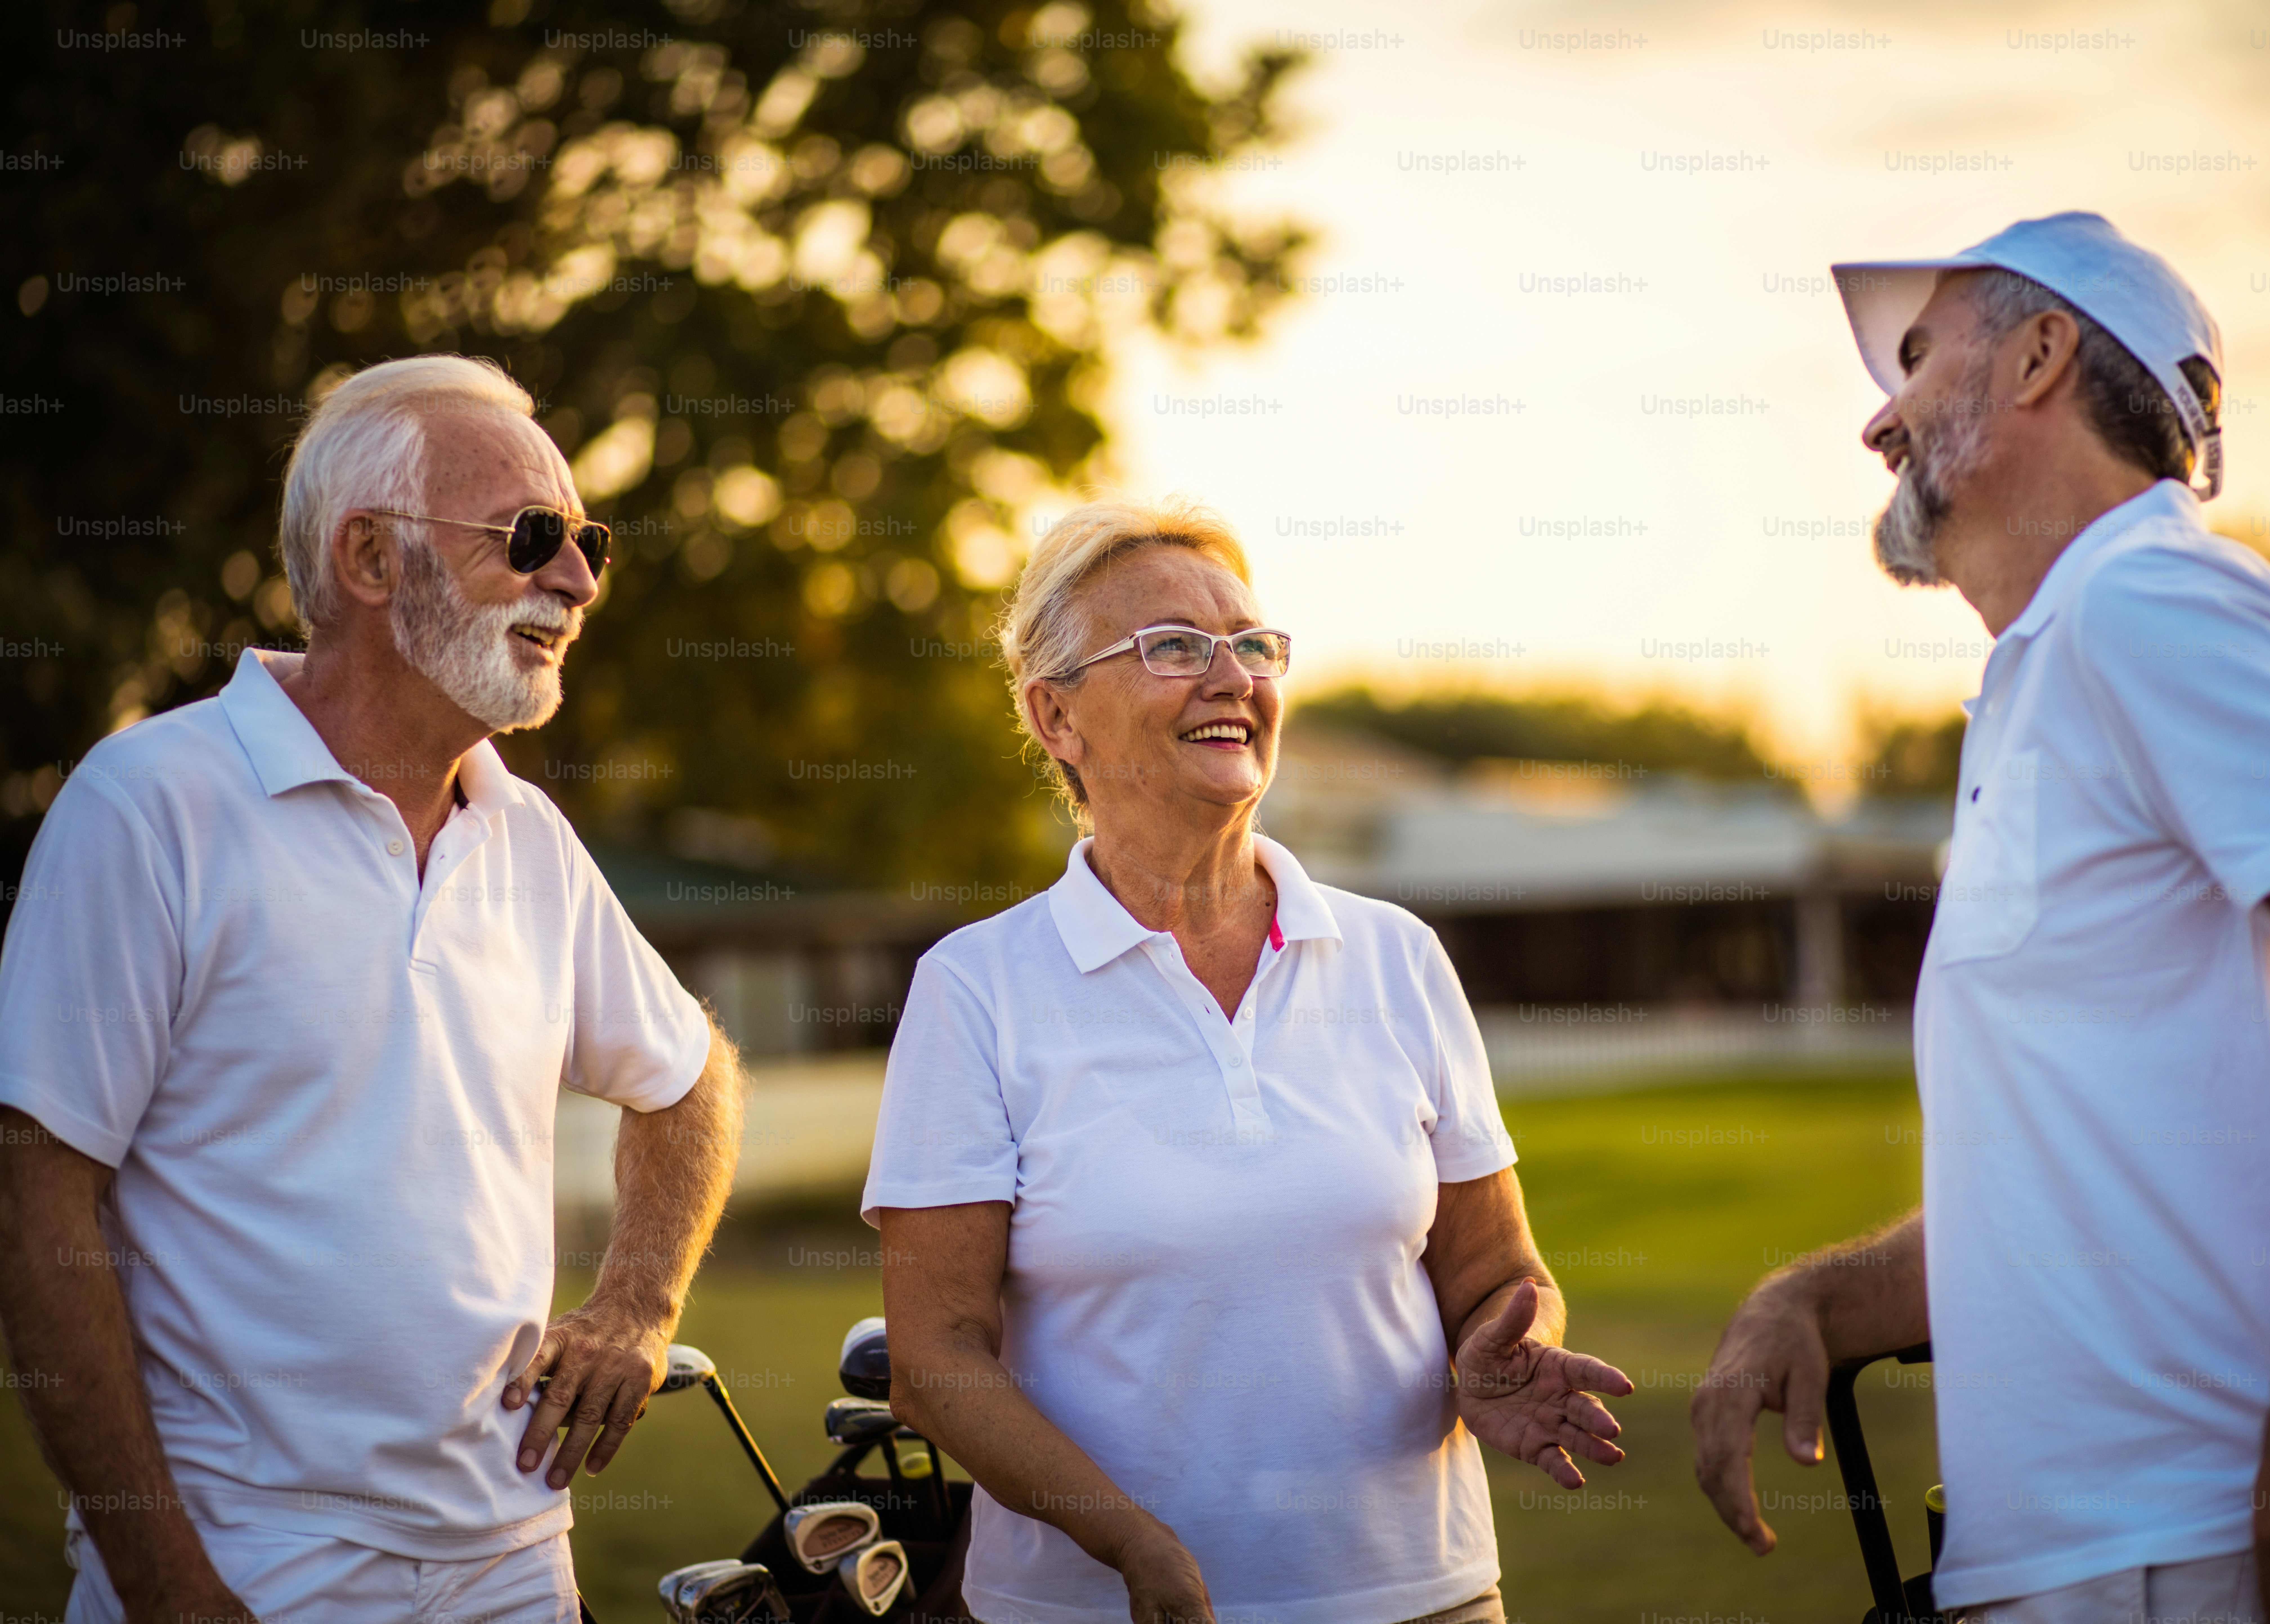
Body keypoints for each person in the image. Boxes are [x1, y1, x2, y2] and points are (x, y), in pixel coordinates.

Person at [1690, 210, 2270, 1624]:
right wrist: (1819, 1300)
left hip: (2211, 1542)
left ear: (2038, 357)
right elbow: (2074, 1181)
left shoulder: (2143, 594)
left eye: (1914, 358)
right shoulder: (2053, 663)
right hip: (2121, 1555)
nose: (1875, 422)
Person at [0, 355, 744, 1624]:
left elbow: (689, 1081)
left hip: (518, 1558)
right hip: (248, 1551)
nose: (574, 578)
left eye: (589, 545)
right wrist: (169, 1585)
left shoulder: (529, 838)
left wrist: (635, 1302)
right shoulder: (148, 807)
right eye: (530, 537)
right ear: (368, 558)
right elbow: (37, 1194)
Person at [862, 499, 1631, 1624]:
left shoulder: (1396, 956)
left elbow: (1494, 1275)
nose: (1231, 677)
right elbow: (935, 1361)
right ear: (1056, 716)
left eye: (1252, 645)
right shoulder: (976, 989)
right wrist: (1129, 1544)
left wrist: (1503, 1351)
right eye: (1172, 647)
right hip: (1087, 1609)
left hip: (1423, 1594)